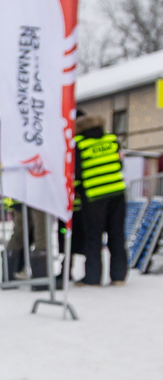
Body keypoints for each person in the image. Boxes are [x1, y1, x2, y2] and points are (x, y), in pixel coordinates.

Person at [74, 112, 128, 285]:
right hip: (118, 193)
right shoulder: (112, 140)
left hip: (94, 196)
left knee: (93, 237)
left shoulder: (80, 144)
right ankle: (119, 276)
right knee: (117, 235)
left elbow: (77, 172)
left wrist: (77, 189)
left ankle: (92, 277)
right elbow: (119, 164)